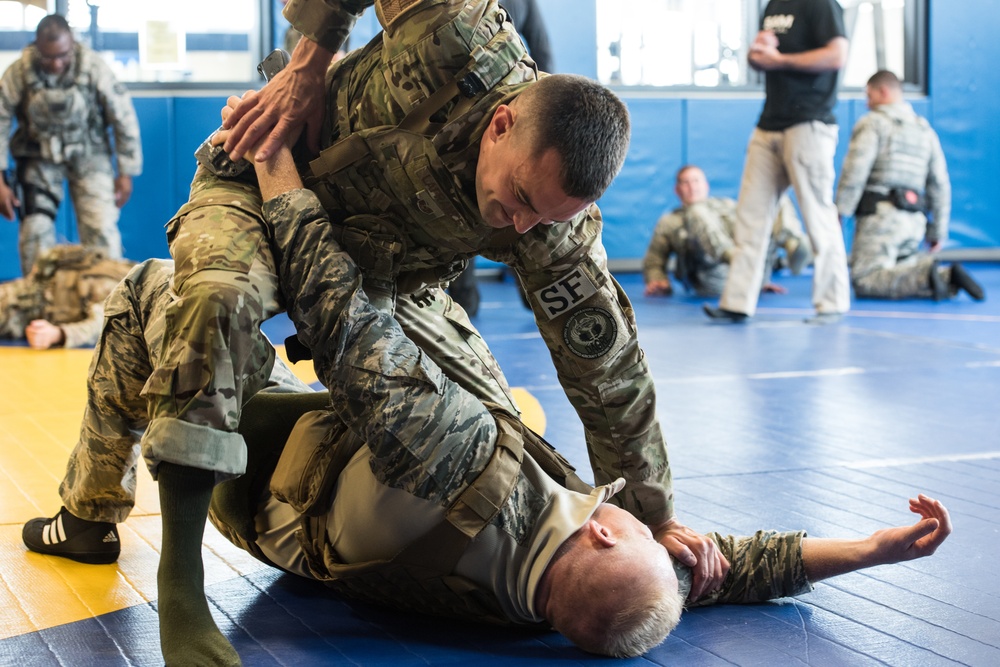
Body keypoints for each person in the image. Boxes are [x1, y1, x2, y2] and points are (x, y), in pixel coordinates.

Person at [24, 0, 722, 662]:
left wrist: (654, 518)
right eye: (517, 202)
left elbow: (610, 374)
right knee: (218, 301)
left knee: (486, 429)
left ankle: (315, 480)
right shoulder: (458, 33)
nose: (520, 229)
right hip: (264, 177)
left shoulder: (553, 223)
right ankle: (177, 582)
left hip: (387, 272)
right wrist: (308, 61)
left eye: (544, 218)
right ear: (501, 123)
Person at [704, 0, 851, 324]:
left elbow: (837, 55)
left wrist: (780, 59)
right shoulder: (773, 5)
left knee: (817, 215)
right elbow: (760, 58)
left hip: (809, 123)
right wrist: (758, 56)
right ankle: (737, 302)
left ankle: (833, 302)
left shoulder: (822, 5)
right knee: (750, 217)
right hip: (769, 124)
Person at [0, 14, 143, 277]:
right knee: (35, 233)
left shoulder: (93, 67)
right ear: (36, 46)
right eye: (47, 57)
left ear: (73, 44)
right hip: (38, 157)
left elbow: (122, 116)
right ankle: (39, 307)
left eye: (63, 55)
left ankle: (107, 308)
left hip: (90, 154)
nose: (56, 64)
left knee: (101, 231)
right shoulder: (19, 72)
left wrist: (125, 172)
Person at [835, 70, 984, 302]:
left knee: (865, 279)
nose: (867, 103)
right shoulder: (925, 131)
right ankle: (943, 276)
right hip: (914, 222)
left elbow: (855, 170)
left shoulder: (873, 123)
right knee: (897, 268)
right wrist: (938, 231)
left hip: (879, 219)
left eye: (869, 95)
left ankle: (926, 275)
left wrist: (841, 209)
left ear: (883, 91)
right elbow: (940, 184)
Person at [447, 0, 554, 315]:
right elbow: (543, 52)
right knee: (515, 197)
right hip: (506, 100)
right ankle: (525, 295)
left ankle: (469, 300)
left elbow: (542, 49)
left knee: (465, 199)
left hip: (461, 108)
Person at [643, 165, 811, 298]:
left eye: (696, 181)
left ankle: (791, 245)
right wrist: (657, 280)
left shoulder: (727, 205)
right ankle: (739, 261)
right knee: (696, 211)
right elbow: (654, 259)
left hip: (751, 269)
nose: (692, 187)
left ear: (706, 185)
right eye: (685, 183)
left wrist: (761, 275)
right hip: (713, 277)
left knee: (776, 196)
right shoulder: (669, 221)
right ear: (677, 190)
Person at [0, 244, 134, 349]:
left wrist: (58, 334)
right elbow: (100, 325)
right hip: (32, 297)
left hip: (31, 310)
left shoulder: (127, 279)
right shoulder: (125, 283)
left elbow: (100, 325)